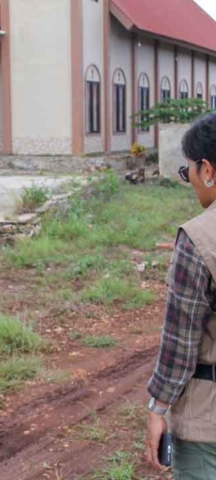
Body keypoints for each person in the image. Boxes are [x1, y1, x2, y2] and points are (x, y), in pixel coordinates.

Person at [146, 113, 216, 478]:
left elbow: (180, 343)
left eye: (186, 170)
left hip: (208, 421)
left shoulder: (199, 238)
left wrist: (157, 408)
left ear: (207, 170)